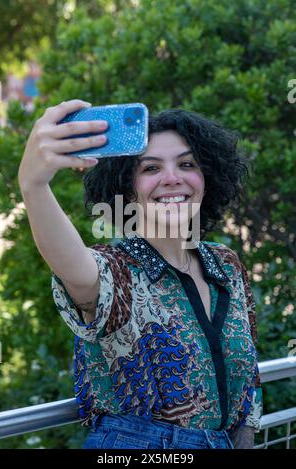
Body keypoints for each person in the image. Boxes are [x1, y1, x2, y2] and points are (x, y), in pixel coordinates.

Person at [18, 99, 263, 450]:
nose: (172, 178)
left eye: (187, 163)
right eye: (151, 169)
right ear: (127, 188)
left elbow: (249, 380)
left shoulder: (226, 266)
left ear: (206, 177)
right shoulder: (114, 268)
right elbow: (71, 264)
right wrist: (34, 186)